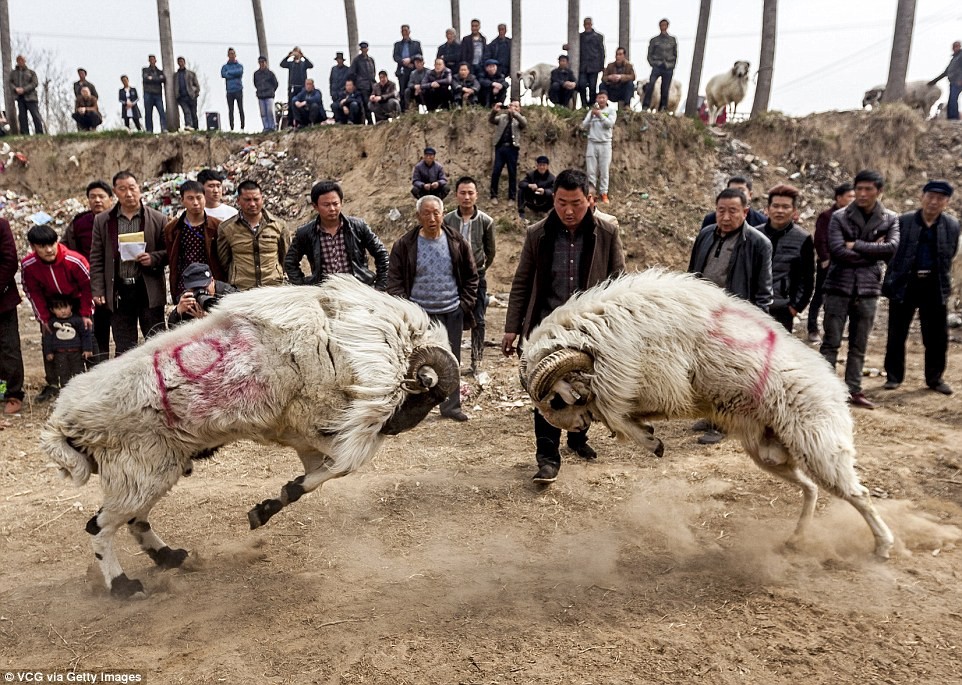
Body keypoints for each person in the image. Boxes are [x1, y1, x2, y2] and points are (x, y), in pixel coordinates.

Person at [503, 169, 625, 483]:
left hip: (589, 332)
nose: (568, 211)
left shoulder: (607, 234)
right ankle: (547, 458)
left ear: (591, 200)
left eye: (576, 203)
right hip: (546, 331)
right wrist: (512, 326)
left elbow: (619, 285)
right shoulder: (537, 233)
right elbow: (522, 283)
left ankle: (578, 438)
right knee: (545, 390)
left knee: (584, 389)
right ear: (552, 200)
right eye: (561, 203)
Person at [688, 187, 773, 443]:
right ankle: (711, 415)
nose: (725, 217)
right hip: (703, 315)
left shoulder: (758, 243)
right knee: (704, 372)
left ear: (745, 212)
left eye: (732, 211)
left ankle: (723, 424)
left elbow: (763, 291)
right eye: (721, 210)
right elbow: (692, 274)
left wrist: (757, 325)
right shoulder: (705, 235)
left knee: (728, 375)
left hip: (735, 320)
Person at [387, 194, 478, 422]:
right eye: (426, 213)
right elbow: (395, 280)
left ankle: (451, 407)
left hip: (451, 311)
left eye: (436, 212)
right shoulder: (405, 244)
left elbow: (471, 277)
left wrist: (463, 305)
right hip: (419, 316)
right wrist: (405, 310)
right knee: (414, 360)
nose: (432, 217)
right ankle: (411, 408)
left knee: (451, 359)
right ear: (418, 216)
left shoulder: (456, 241)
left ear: (443, 213)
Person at [819, 169, 899, 410]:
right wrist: (872, 250)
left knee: (859, 343)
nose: (863, 194)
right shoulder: (840, 217)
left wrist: (856, 245)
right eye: (859, 189)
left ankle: (853, 389)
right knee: (831, 342)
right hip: (838, 286)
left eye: (868, 189)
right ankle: (825, 389)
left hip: (868, 289)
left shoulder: (890, 218)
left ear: (879, 191)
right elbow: (837, 251)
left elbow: (892, 248)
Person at [882, 180, 959, 395]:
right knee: (897, 333)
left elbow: (949, 253)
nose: (934, 202)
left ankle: (935, 378)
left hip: (935, 285)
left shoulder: (952, 225)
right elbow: (891, 252)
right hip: (905, 283)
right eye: (930, 196)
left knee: (936, 336)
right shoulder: (903, 221)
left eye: (940, 198)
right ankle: (894, 377)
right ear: (921, 197)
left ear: (947, 202)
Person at [90, 171, 168, 356]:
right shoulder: (103, 221)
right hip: (119, 289)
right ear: (115, 192)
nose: (129, 193)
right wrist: (98, 290)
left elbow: (169, 253)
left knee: (157, 340)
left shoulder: (157, 219)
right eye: (122, 189)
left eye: (132, 188)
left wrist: (153, 258)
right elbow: (97, 257)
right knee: (124, 346)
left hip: (147, 288)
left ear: (139, 189)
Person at [21, 224, 94, 402]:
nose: (48, 250)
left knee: (87, 338)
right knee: (50, 340)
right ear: (33, 247)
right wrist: (43, 317)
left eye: (52, 244)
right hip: (51, 305)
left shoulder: (74, 260)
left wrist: (86, 312)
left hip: (77, 302)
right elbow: (32, 291)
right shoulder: (29, 265)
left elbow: (88, 285)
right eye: (42, 246)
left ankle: (91, 381)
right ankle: (54, 383)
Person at [285, 180, 389, 289]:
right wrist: (303, 288)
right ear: (315, 206)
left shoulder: (358, 227)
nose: (332, 209)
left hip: (358, 290)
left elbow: (382, 254)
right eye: (326, 205)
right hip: (325, 292)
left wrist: (380, 287)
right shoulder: (306, 233)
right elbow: (290, 262)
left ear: (342, 202)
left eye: (335, 204)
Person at [443, 176, 496, 374]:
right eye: (463, 193)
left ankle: (477, 362)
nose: (466, 197)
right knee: (451, 317)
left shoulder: (486, 221)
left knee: (479, 319)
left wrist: (479, 269)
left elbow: (491, 251)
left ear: (476, 195)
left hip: (477, 277)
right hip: (452, 278)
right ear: (456, 195)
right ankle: (451, 363)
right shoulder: (447, 220)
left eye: (470, 193)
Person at [63, 180, 114, 364]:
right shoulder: (80, 222)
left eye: (101, 196)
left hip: (115, 285)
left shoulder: (118, 220)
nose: (97, 201)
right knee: (94, 331)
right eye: (93, 197)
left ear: (111, 198)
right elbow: (67, 249)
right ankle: (98, 372)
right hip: (88, 286)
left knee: (119, 331)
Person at [217, 179, 290, 290]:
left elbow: (285, 257)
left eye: (256, 199)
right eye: (247, 200)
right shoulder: (227, 228)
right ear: (238, 200)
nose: (252, 204)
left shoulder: (279, 225)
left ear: (262, 199)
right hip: (241, 290)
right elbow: (224, 262)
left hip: (273, 288)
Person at [760, 184, 814, 333]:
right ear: (768, 208)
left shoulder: (803, 238)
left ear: (794, 211)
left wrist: (795, 307)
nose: (780, 211)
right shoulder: (754, 234)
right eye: (775, 206)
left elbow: (807, 278)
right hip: (753, 305)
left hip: (783, 309)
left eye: (785, 207)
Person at [163, 180, 225, 302]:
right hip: (184, 282)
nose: (195, 203)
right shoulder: (173, 228)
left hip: (210, 280)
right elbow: (172, 257)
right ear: (182, 200)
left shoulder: (217, 226)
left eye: (199, 198)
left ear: (205, 198)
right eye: (190, 198)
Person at [808, 182, 854, 343]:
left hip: (845, 264)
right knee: (819, 295)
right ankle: (812, 329)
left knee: (842, 296)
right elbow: (820, 239)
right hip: (828, 264)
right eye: (850, 196)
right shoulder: (826, 216)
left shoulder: (852, 216)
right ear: (839, 198)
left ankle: (836, 329)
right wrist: (825, 259)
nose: (852, 199)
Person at [0, 216, 25, 415]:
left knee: (9, 347)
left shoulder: (1, 225)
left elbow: (9, 261)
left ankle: (14, 393)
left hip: (2, 300)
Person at [42, 295, 92, 390]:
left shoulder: (78, 320)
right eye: (58, 308)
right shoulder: (51, 323)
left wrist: (87, 349)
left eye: (65, 307)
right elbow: (47, 338)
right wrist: (48, 352)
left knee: (78, 372)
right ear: (52, 310)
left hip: (76, 353)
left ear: (71, 306)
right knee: (63, 372)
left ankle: (80, 390)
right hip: (60, 354)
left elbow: (85, 335)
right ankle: (66, 391)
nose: (63, 311)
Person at [167, 262, 237, 328]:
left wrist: (210, 319)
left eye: (204, 287)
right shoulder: (188, 299)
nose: (201, 292)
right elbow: (172, 328)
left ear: (212, 281)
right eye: (195, 289)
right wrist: (178, 312)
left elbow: (241, 323)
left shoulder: (228, 294)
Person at [581, 91, 616, 203]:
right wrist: (591, 115)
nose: (601, 100)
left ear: (607, 99)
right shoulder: (592, 112)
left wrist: (600, 115)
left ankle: (604, 193)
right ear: (596, 99)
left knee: (604, 170)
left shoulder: (611, 111)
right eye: (599, 98)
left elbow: (609, 124)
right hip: (592, 143)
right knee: (591, 171)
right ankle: (592, 193)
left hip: (605, 143)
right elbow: (584, 125)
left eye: (603, 98)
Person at [489, 100, 526, 205]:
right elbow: (491, 120)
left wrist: (514, 114)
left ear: (519, 109)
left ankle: (512, 197)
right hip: (500, 148)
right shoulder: (502, 118)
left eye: (516, 106)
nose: (513, 107)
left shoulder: (520, 119)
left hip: (512, 149)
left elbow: (524, 124)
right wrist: (494, 111)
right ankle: (493, 195)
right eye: (511, 105)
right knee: (496, 172)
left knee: (512, 173)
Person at [701, 176, 768, 228]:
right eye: (732, 190)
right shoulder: (711, 219)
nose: (736, 194)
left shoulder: (762, 222)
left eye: (741, 190)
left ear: (750, 195)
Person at [641, 19, 678, 112]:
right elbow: (649, 53)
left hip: (668, 66)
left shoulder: (672, 40)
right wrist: (652, 63)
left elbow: (675, 53)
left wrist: (672, 64)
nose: (663, 27)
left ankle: (662, 107)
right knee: (651, 85)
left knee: (665, 88)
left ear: (667, 26)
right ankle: (645, 106)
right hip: (657, 65)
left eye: (665, 25)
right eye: (662, 25)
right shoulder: (654, 40)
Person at [10, 55, 44, 134]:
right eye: (19, 60)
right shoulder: (13, 73)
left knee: (35, 115)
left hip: (31, 97)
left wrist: (24, 89)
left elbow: (35, 83)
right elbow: (10, 83)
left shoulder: (31, 72)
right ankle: (25, 133)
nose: (20, 62)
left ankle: (39, 132)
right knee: (22, 117)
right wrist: (16, 89)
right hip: (20, 98)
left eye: (22, 60)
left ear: (25, 61)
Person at [929, 41, 961, 121]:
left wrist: (960, 79)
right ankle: (952, 118)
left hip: (958, 81)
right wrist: (934, 81)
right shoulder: (954, 59)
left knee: (953, 99)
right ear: (952, 48)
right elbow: (945, 72)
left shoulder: (960, 56)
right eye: (954, 47)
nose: (956, 48)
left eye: (957, 46)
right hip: (953, 82)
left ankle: (953, 118)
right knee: (951, 100)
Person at [280, 46, 313, 125]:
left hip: (302, 87)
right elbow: (282, 64)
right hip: (293, 87)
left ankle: (302, 122)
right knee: (291, 105)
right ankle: (291, 122)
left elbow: (311, 65)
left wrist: (303, 56)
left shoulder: (303, 64)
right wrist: (288, 56)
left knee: (302, 104)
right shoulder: (291, 64)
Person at [577, 17, 605, 107]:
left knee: (593, 87)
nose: (587, 26)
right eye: (586, 24)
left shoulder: (598, 37)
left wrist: (601, 65)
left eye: (589, 24)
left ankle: (592, 104)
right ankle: (584, 104)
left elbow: (602, 52)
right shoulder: (579, 37)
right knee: (581, 85)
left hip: (594, 66)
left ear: (591, 24)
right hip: (583, 66)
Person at [393, 24, 422, 111]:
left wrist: (410, 59)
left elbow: (419, 55)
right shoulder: (398, 45)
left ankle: (415, 111)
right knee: (402, 91)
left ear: (409, 32)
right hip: (402, 70)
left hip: (413, 69)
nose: (404, 33)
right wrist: (403, 62)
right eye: (403, 31)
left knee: (412, 90)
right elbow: (395, 56)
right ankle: (403, 112)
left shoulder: (416, 44)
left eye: (406, 31)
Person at [348, 41, 377, 120]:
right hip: (362, 86)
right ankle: (370, 121)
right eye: (363, 48)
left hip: (372, 84)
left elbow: (373, 71)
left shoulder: (371, 60)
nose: (364, 50)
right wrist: (356, 83)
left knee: (374, 103)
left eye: (365, 48)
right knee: (366, 104)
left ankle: (378, 120)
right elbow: (352, 73)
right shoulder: (357, 60)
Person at [221, 48, 245, 130]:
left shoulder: (239, 65)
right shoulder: (225, 66)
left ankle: (242, 127)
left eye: (233, 53)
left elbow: (239, 72)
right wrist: (234, 74)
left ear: (235, 55)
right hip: (229, 90)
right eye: (230, 54)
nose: (231, 55)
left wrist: (229, 73)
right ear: (228, 55)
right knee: (231, 110)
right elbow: (223, 74)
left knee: (240, 109)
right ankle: (232, 127)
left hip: (238, 89)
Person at [253, 56, 279, 131]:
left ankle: (272, 127)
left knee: (270, 111)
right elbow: (255, 83)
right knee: (263, 113)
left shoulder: (270, 73)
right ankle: (266, 127)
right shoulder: (256, 74)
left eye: (263, 62)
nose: (262, 64)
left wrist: (271, 90)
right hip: (261, 95)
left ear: (266, 63)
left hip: (269, 95)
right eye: (260, 62)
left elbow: (275, 83)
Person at [141, 54, 166, 133]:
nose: (152, 61)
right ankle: (149, 130)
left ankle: (164, 128)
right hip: (148, 94)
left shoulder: (159, 71)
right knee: (148, 113)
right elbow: (146, 79)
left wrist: (152, 78)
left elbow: (163, 79)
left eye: (153, 59)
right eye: (150, 59)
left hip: (157, 94)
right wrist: (157, 79)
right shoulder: (145, 70)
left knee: (162, 112)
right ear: (149, 61)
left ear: (155, 60)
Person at [174, 57, 201, 130]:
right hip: (182, 97)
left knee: (193, 113)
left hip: (191, 96)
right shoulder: (176, 75)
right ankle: (188, 125)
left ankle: (196, 128)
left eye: (182, 61)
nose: (181, 63)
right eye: (179, 62)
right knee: (186, 111)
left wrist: (196, 93)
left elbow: (197, 85)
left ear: (184, 62)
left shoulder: (191, 73)